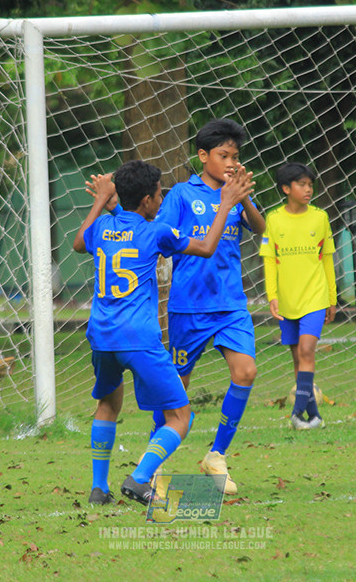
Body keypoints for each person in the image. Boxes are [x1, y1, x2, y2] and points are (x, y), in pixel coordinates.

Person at [73, 159, 253, 506]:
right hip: (138, 338)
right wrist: (227, 204)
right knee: (180, 417)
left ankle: (99, 488)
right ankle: (140, 478)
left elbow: (80, 243)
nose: (162, 199)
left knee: (108, 404)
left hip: (101, 334)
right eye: (158, 194)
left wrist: (101, 200)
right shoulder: (156, 231)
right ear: (146, 201)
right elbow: (205, 248)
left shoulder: (103, 227)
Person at [153, 118, 266, 495]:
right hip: (189, 307)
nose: (231, 163)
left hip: (231, 304)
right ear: (203, 156)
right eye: (223, 155)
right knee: (176, 390)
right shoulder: (182, 196)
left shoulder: (236, 194)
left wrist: (242, 197)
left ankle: (216, 455)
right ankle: (155, 465)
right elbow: (164, 237)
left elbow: (260, 228)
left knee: (246, 371)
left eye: (235, 156)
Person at [258, 162, 337, 430]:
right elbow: (269, 260)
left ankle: (295, 414)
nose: (308, 189)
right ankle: (313, 417)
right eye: (302, 185)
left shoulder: (320, 217)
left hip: (315, 297)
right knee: (297, 358)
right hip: (287, 302)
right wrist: (272, 296)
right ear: (286, 188)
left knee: (306, 350)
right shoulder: (273, 219)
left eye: (310, 185)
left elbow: (327, 260)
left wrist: (332, 298)